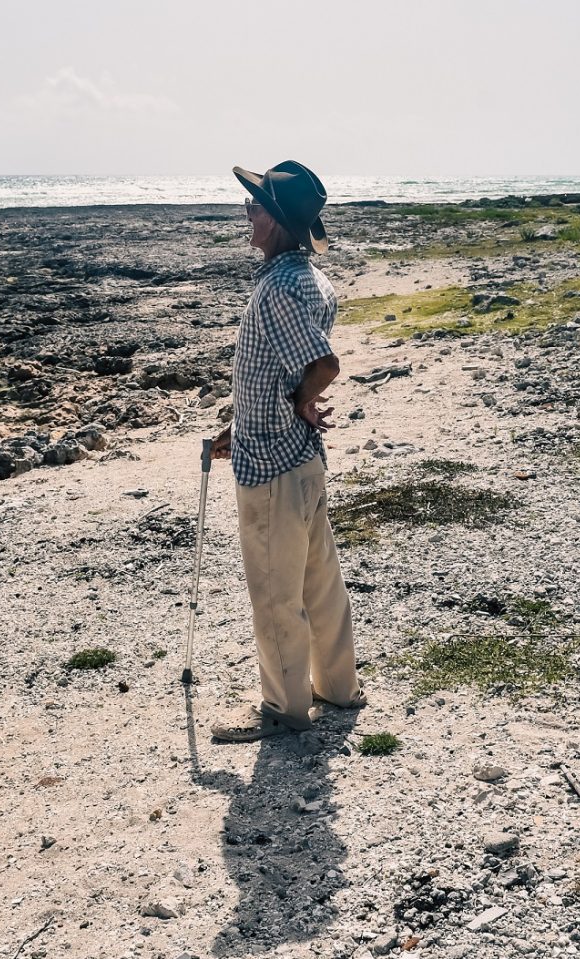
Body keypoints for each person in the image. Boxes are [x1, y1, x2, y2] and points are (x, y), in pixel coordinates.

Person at [209, 160, 365, 742]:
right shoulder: (309, 279)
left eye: (253, 208)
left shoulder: (277, 288)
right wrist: (245, 422)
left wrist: (302, 396)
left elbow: (322, 364)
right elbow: (281, 369)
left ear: (275, 221)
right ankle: (338, 689)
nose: (246, 216)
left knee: (277, 594)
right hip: (297, 455)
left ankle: (284, 710)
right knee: (319, 581)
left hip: (272, 463)